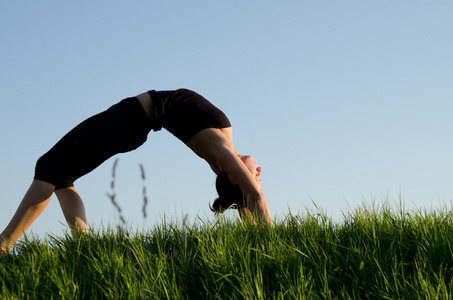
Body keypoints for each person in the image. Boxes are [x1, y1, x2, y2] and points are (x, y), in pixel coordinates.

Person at [0, 89, 272, 252]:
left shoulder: (221, 152)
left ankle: (3, 245)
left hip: (129, 120)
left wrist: (271, 242)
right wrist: (249, 221)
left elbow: (254, 197)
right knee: (61, 177)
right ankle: (83, 249)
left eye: (255, 176)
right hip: (132, 125)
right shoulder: (219, 158)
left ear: (235, 176)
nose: (258, 170)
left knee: (48, 166)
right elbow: (244, 201)